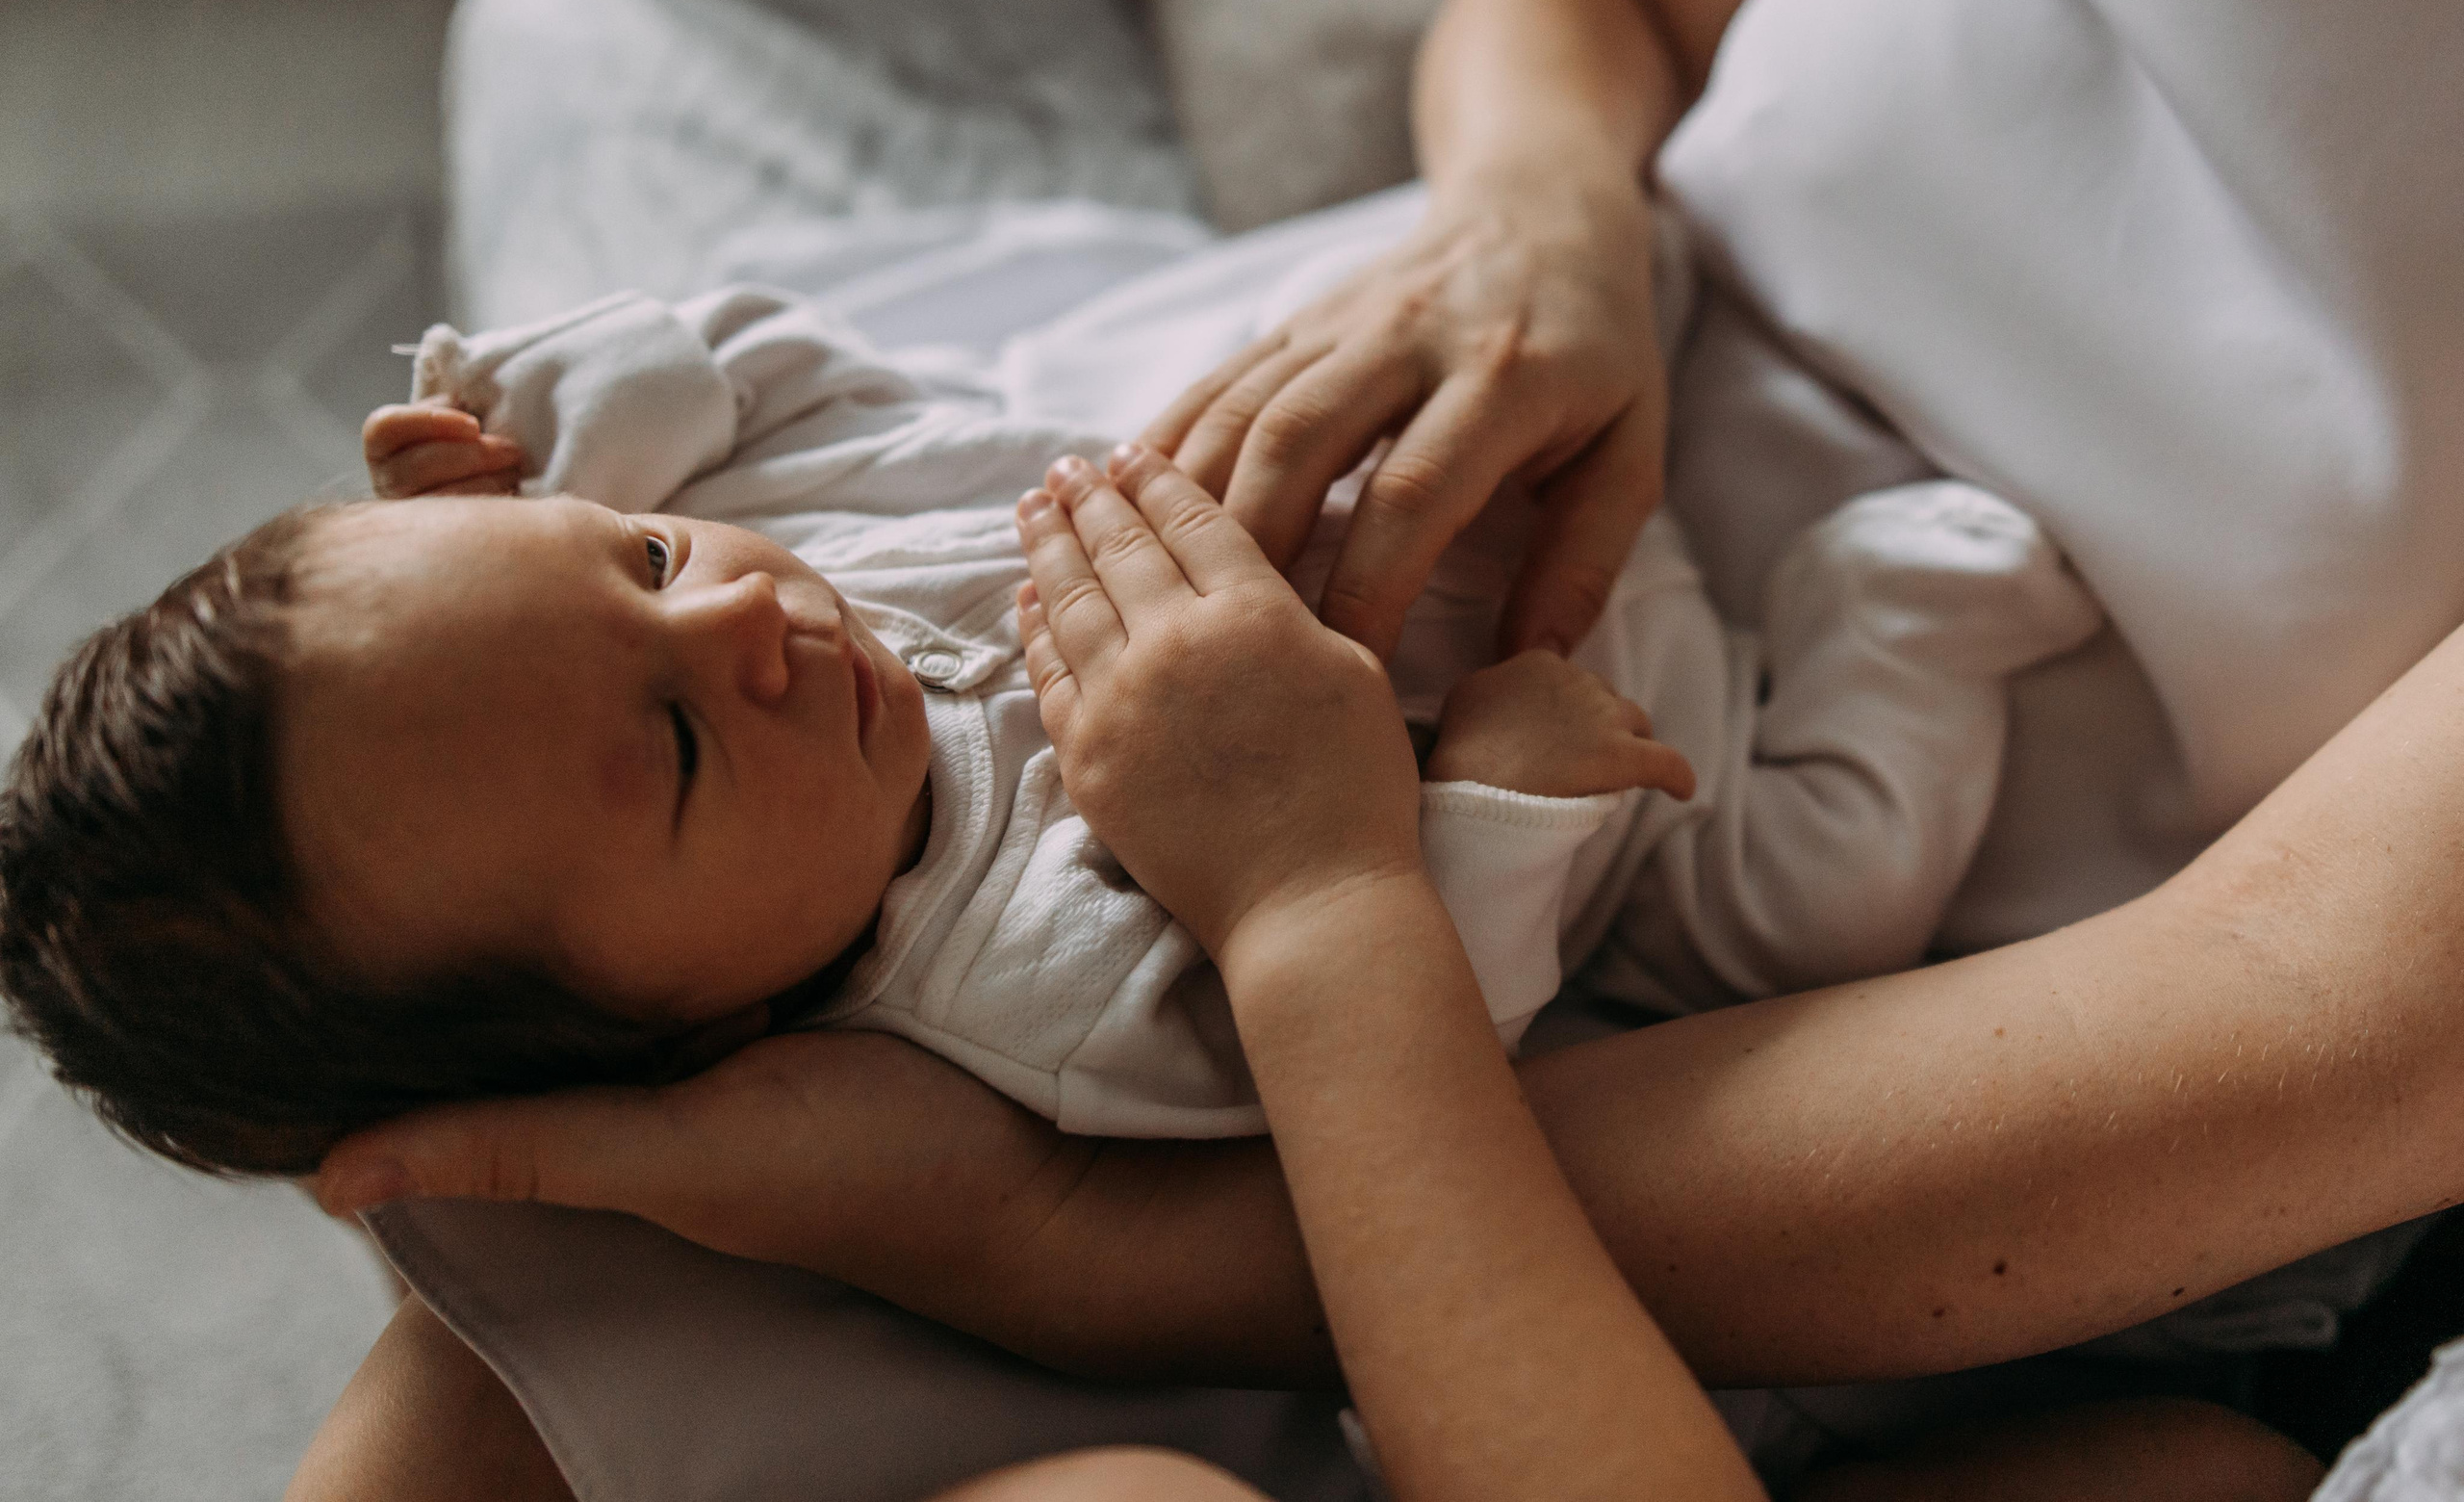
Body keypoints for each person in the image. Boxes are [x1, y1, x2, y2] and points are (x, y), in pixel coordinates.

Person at [286, 0, 2464, 1491]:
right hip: (1489, 408)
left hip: (1791, 917)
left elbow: (2307, 1014)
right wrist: (1536, 213)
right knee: (491, 1294)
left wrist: (1067, 1236)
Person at [0, 280, 2092, 1174]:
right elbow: (1373, 1031)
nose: (737, 610)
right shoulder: (1034, 993)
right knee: (1811, 906)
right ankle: (1883, 613)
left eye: (629, 555)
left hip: (1440, 478)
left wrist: (556, 414)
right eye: (678, 752)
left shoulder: (742, 536)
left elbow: (771, 371)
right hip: (1632, 743)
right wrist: (1508, 789)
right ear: (674, 1040)